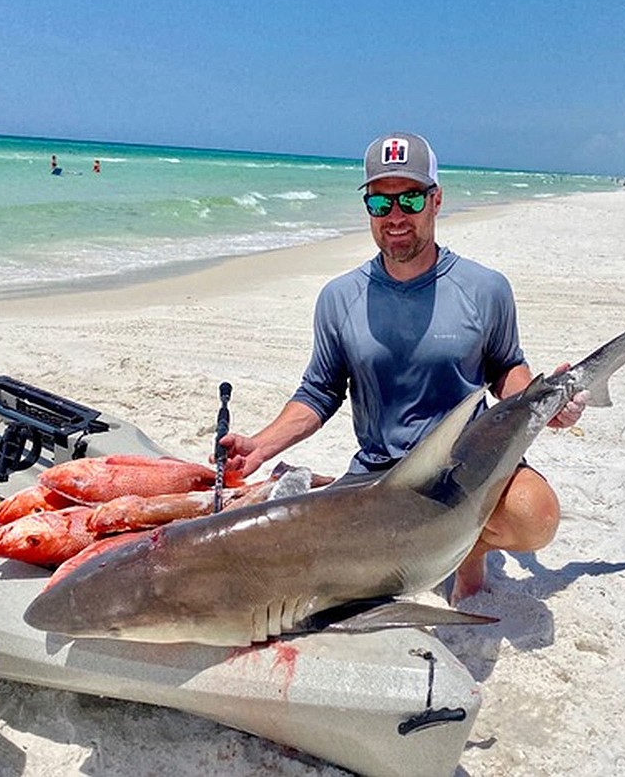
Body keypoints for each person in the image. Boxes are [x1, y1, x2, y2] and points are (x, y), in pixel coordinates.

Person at [221, 132, 586, 603]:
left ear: (436, 201)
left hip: (465, 469)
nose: (396, 216)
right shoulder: (339, 297)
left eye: (410, 198)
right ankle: (392, 522)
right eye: (380, 201)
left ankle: (468, 549)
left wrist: (544, 400)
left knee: (535, 515)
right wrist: (259, 446)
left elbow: (504, 368)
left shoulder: (485, 288)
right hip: (381, 474)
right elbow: (319, 392)